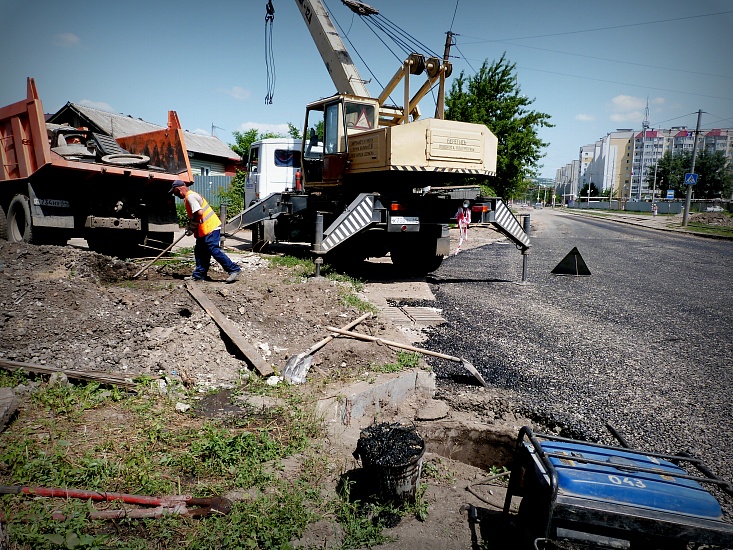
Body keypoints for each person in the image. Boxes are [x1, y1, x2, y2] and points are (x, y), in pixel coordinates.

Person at [170, 180, 241, 283]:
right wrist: (192, 226)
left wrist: (192, 226)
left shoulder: (190, 197)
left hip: (210, 228)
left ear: (178, 189)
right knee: (200, 251)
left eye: (175, 192)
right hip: (204, 230)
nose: (175, 195)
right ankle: (199, 275)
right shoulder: (189, 197)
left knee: (214, 250)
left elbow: (199, 212)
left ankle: (233, 269)